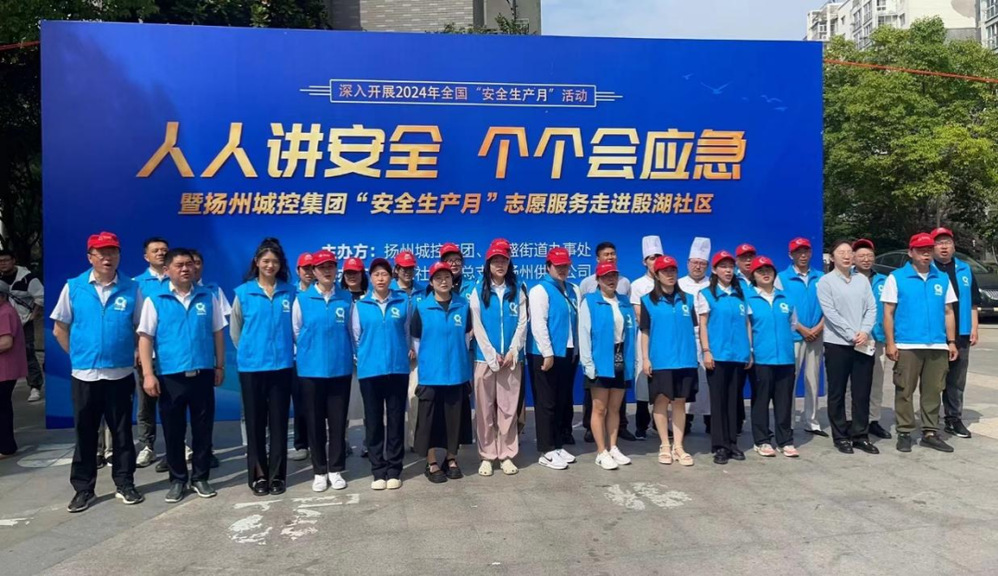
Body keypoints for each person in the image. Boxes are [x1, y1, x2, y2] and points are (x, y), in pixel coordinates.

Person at [51, 231, 144, 512]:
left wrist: (133, 353)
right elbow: (59, 328)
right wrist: (79, 356)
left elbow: (141, 328)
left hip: (120, 375)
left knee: (122, 432)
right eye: (101, 253)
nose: (107, 258)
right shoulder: (74, 287)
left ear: (119, 255)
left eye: (112, 252)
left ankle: (125, 483)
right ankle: (84, 489)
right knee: (86, 433)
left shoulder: (132, 288)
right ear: (90, 257)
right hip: (85, 376)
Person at [137, 248, 226, 502]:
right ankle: (177, 480)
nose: (186, 269)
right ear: (167, 270)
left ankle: (200, 477)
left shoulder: (208, 297)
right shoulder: (156, 300)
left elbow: (218, 333)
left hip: (202, 373)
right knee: (173, 431)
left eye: (189, 264)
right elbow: (145, 338)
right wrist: (148, 374)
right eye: (179, 265)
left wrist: (220, 366)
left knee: (202, 429)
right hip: (170, 376)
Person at [231, 238, 296, 496]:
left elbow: (296, 328)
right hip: (252, 369)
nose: (270, 265)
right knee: (255, 423)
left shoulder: (290, 292)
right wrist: (251, 351)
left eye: (275, 261)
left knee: (279, 423)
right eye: (266, 261)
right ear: (257, 262)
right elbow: (236, 332)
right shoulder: (243, 293)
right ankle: (259, 476)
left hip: (282, 367)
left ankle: (277, 475)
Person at [883, 233, 958, 454]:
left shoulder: (941, 278)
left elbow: (948, 311)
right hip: (907, 344)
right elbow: (888, 313)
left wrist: (951, 341)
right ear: (911, 252)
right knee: (904, 390)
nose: (925, 254)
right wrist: (890, 343)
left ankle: (930, 432)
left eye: (928, 250)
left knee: (933, 391)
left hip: (937, 345)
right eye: (920, 250)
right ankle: (905, 432)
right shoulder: (897, 278)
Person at [294, 250, 354, 492]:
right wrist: (309, 353)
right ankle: (319, 471)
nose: (327, 271)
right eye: (321, 267)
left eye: (331, 266)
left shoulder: (346, 298)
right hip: (311, 371)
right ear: (314, 271)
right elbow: (296, 331)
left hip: (339, 369)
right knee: (315, 422)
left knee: (338, 423)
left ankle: (335, 469)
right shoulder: (302, 299)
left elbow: (352, 331)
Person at [469, 243, 527, 476]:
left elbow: (523, 322)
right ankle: (487, 455)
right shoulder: (478, 289)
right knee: (484, 410)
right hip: (484, 359)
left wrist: (513, 350)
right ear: (488, 264)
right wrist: (492, 355)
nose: (500, 264)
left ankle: (506, 454)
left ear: (509, 262)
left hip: (511, 360)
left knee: (508, 409)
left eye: (503, 260)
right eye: (495, 261)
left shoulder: (517, 288)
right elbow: (477, 325)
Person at [816, 240, 879, 455]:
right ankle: (841, 436)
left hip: (862, 343)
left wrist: (865, 331)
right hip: (837, 344)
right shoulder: (825, 282)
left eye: (849, 252)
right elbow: (830, 313)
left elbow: (871, 308)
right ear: (832, 257)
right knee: (837, 392)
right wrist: (851, 334)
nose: (846, 256)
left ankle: (860, 434)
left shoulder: (862, 280)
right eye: (841, 252)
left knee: (862, 391)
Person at [354, 257, 412, 490]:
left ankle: (394, 468)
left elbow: (407, 333)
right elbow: (355, 337)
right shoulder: (360, 305)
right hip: (370, 372)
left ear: (391, 277)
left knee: (396, 420)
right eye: (376, 274)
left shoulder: (402, 301)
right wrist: (365, 358)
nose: (380, 278)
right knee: (374, 421)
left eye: (384, 274)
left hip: (397, 369)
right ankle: (378, 470)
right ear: (370, 278)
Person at [412, 261, 472, 483]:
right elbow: (416, 340)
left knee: (453, 420)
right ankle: (431, 462)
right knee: (429, 420)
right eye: (438, 278)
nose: (443, 281)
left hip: (456, 372)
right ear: (431, 282)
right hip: (431, 374)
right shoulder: (422, 308)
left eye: (447, 277)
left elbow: (466, 337)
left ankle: (451, 458)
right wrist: (428, 363)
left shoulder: (462, 305)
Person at [639, 256, 697, 467]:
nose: (670, 274)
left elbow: (693, 329)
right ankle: (664, 444)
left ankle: (679, 446)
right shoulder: (648, 300)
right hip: (661, 360)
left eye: (673, 270)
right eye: (665, 271)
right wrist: (646, 358)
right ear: (656, 274)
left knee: (680, 402)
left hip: (685, 360)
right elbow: (645, 332)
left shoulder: (688, 299)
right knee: (661, 401)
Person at [696, 251, 752, 465]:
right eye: (723, 266)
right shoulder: (707, 294)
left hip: (738, 354)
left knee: (733, 400)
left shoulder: (740, 294)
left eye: (731, 266)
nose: (728, 270)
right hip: (717, 355)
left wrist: (749, 350)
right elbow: (703, 325)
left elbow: (747, 323)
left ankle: (732, 442)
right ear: (714, 270)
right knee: (718, 401)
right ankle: (719, 445)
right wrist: (706, 351)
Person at [579, 262, 636, 471]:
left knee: (614, 408)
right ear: (598, 280)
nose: (611, 280)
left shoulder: (624, 301)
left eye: (614, 276)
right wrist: (588, 363)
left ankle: (613, 447)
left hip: (621, 359)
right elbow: (584, 333)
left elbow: (631, 332)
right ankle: (601, 451)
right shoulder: (590, 301)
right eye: (606, 276)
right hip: (600, 360)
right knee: (600, 408)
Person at [528, 247, 581, 470]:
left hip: (567, 352)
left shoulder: (573, 289)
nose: (562, 270)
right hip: (544, 354)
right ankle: (546, 449)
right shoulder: (539, 290)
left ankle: (558, 444)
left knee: (561, 401)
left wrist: (577, 350)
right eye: (558, 266)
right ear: (548, 266)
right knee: (546, 402)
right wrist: (547, 353)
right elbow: (538, 324)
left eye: (565, 266)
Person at [745, 256, 799, 458]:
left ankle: (785, 440)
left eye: (769, 270)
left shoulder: (785, 298)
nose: (765, 274)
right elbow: (746, 328)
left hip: (785, 358)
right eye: (760, 271)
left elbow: (793, 324)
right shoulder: (748, 298)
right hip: (761, 358)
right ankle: (762, 440)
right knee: (761, 401)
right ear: (754, 275)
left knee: (784, 402)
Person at [931, 227, 980, 440]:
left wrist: (974, 328)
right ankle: (930, 421)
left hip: (962, 332)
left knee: (957, 380)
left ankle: (953, 418)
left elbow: (974, 302)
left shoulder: (964, 269)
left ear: (953, 246)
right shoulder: (928, 269)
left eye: (947, 242)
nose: (944, 247)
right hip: (935, 334)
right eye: (939, 243)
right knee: (934, 380)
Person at [776, 237, 826, 437]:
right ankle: (787, 422)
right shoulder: (781, 278)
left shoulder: (821, 277)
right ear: (791, 255)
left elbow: (829, 306)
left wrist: (819, 327)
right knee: (791, 379)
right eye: (798, 252)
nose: (803, 255)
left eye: (806, 251)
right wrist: (802, 328)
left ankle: (811, 421)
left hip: (817, 334)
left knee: (813, 379)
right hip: (794, 335)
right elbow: (781, 308)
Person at [848, 239, 892, 440]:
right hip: (854, 339)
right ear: (853, 258)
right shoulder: (847, 278)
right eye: (861, 256)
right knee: (852, 383)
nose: (866, 259)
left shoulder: (885, 280)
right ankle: (850, 419)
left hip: (878, 338)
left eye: (869, 256)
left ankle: (873, 419)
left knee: (876, 381)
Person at [190, 248, 229, 469]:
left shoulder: (212, 292)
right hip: (174, 365)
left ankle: (206, 452)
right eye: (188, 263)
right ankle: (175, 454)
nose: (192, 267)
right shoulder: (164, 294)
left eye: (197, 262)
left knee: (203, 414)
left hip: (205, 363)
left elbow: (218, 330)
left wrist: (219, 364)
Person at [134, 236, 170, 469]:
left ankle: (177, 443)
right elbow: (131, 321)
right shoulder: (136, 284)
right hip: (147, 355)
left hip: (172, 354)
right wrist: (136, 348)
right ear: (146, 256)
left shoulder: (177, 280)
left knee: (173, 402)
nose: (160, 253)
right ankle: (147, 446)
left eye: (164, 250)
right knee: (146, 403)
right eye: (155, 250)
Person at [628, 235, 664, 441]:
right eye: (652, 258)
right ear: (644, 262)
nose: (655, 261)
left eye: (658, 257)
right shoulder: (638, 285)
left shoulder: (669, 282)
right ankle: (641, 424)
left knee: (664, 381)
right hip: (646, 336)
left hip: (666, 339)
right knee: (643, 381)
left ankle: (660, 424)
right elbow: (639, 314)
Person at [0, 250, 44, 402]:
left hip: (23, 321)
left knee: (28, 352)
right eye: (0, 261)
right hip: (3, 321)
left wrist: (33, 315)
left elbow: (41, 296)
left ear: (14, 260)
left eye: (6, 260)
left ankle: (34, 385)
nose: (3, 264)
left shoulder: (28, 278)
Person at [680, 238, 712, 434]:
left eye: (702, 263)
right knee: (687, 381)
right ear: (688, 263)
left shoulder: (713, 285)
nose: (698, 267)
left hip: (709, 341)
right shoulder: (678, 284)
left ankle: (711, 422)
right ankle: (685, 422)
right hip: (686, 340)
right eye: (694, 263)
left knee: (709, 383)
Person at [290, 252, 316, 462]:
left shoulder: (323, 290)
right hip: (296, 356)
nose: (308, 272)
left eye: (311, 268)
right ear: (297, 270)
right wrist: (304, 347)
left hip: (319, 356)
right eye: (305, 268)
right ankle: (301, 443)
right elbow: (295, 329)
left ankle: (319, 442)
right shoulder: (291, 293)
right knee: (300, 402)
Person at [0, 281, 28, 458]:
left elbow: (5, 342)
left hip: (5, 369)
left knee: (2, 408)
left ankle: (6, 446)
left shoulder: (5, 313)